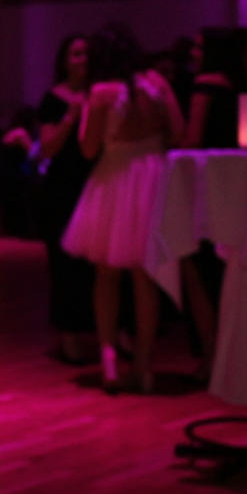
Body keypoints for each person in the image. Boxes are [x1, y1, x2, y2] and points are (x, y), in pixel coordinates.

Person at [61, 24, 185, 393]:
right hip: (154, 177)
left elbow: (87, 149)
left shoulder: (102, 92)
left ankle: (109, 359)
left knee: (106, 275)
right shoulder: (157, 84)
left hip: (115, 178)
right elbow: (179, 133)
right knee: (146, 275)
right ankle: (144, 365)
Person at [35, 33, 96, 366]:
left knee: (97, 261)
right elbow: (47, 148)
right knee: (64, 263)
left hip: (94, 183)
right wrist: (71, 116)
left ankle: (107, 332)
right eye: (76, 53)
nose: (82, 59)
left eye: (86, 53)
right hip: (62, 187)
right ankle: (68, 335)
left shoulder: (100, 94)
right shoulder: (53, 99)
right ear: (64, 61)